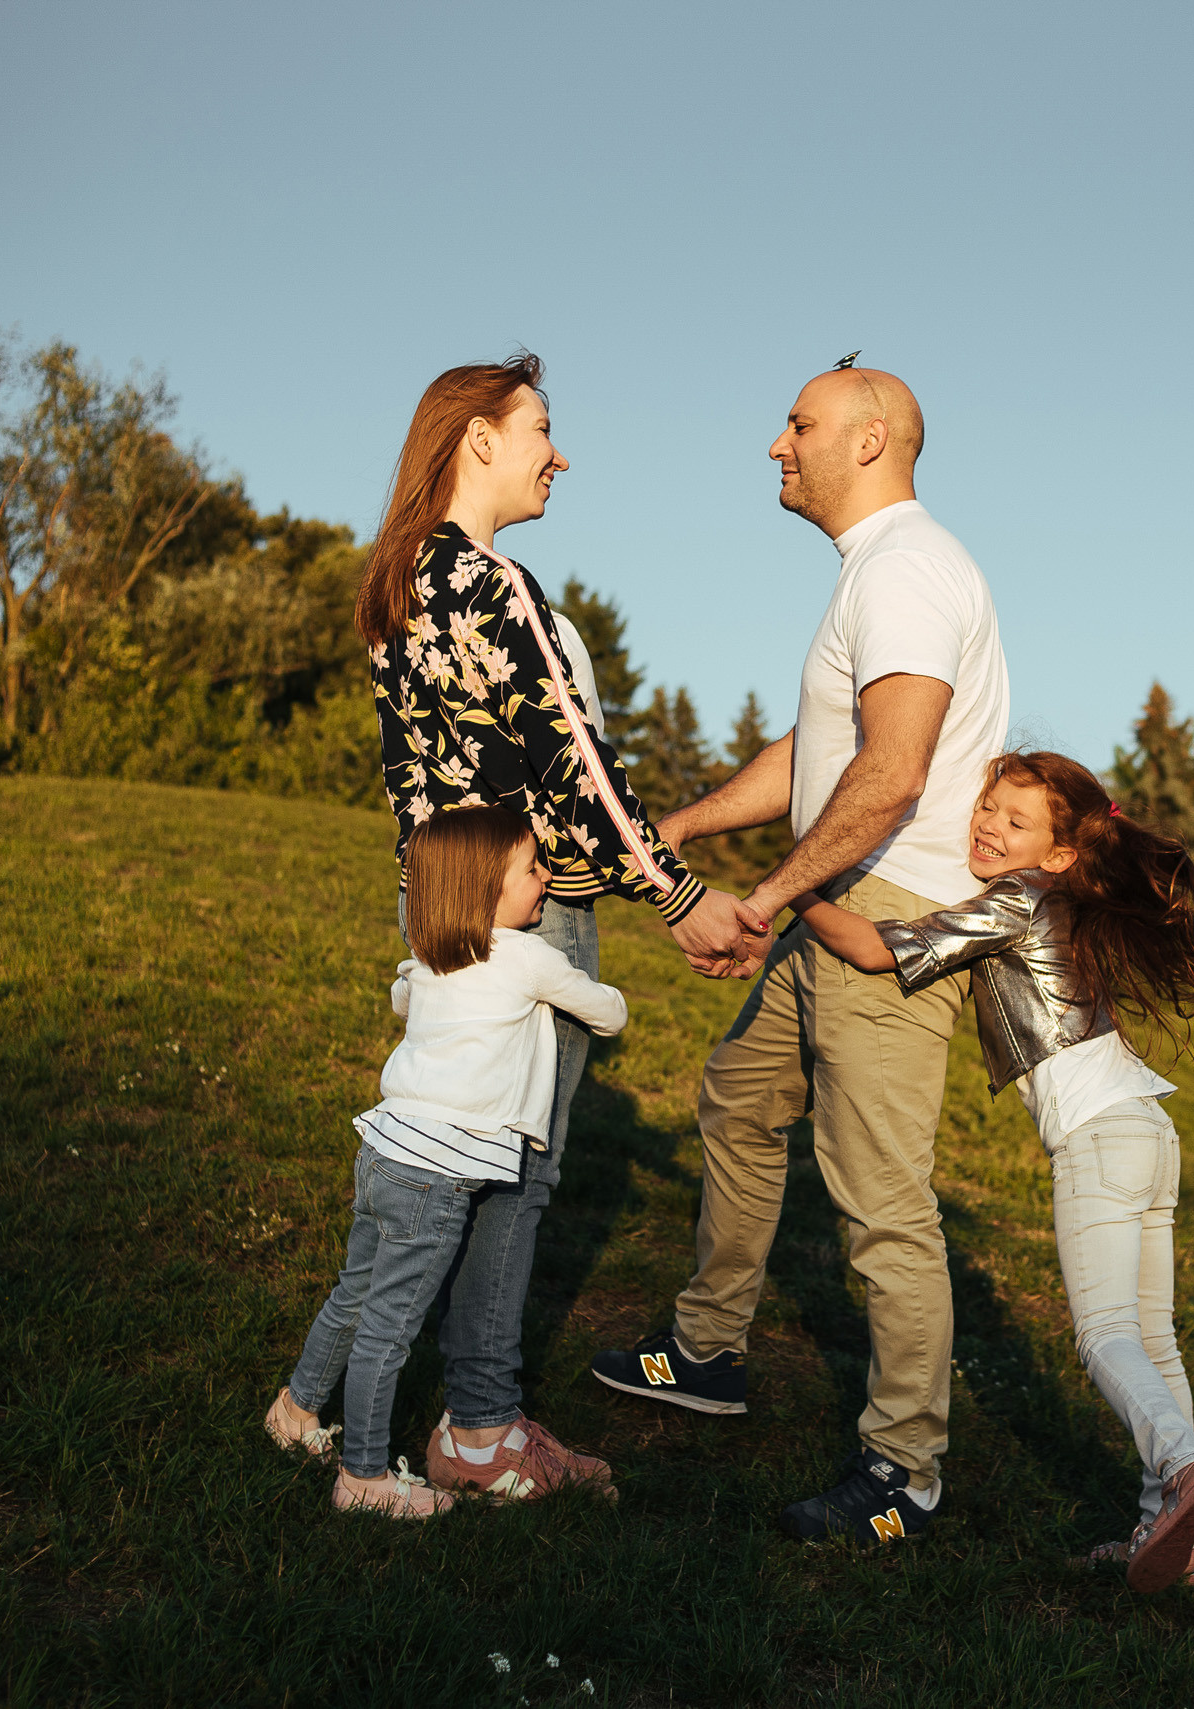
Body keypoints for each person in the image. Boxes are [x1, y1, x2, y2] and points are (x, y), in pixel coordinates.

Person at [588, 360, 1010, 1545]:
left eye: (799, 423)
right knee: (738, 1094)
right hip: (838, 894)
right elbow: (820, 750)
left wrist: (768, 896)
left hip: (884, 916)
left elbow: (893, 772)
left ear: (869, 440)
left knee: (880, 1203)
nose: (777, 444)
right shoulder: (874, 570)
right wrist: (684, 824)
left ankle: (903, 1473)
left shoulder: (909, 567)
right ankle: (708, 1348)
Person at [340, 354, 766, 1495]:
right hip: (528, 910)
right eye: (540, 427)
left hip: (436, 904)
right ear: (477, 437)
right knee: (516, 1166)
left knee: (451, 1141)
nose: (558, 454)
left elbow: (416, 776)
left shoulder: (394, 583)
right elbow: (574, 765)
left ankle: (394, 1392)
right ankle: (480, 1425)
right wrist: (679, 893)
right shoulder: (491, 582)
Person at [794, 751, 1194, 1589]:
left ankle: (1185, 1470)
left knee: (1105, 1336)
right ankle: (1165, 1534)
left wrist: (796, 891)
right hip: (1150, 1131)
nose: (989, 824)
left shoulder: (1016, 899)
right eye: (989, 805)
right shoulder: (1063, 900)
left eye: (1015, 820)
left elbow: (877, 950)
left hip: (1100, 1139)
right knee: (1154, 1339)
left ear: (1061, 853)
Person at [265, 807, 629, 1517]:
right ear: (490, 886)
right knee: (390, 1329)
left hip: (384, 1150)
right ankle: (363, 1479)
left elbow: (403, 998)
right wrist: (581, 988)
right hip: (439, 1174)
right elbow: (608, 1013)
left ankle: (296, 1410)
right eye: (532, 868)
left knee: (354, 1293)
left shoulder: (431, 954)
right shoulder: (528, 958)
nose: (546, 878)